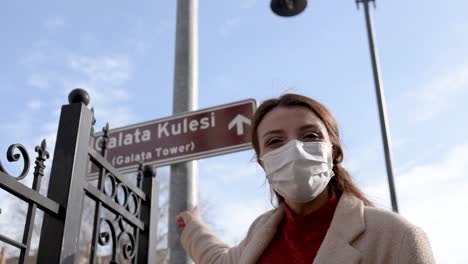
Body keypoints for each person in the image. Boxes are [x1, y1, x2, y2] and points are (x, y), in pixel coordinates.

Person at [176, 93, 435, 264]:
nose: (295, 149)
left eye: (310, 136)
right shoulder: (260, 234)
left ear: (333, 151)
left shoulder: (395, 237)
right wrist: (192, 224)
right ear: (262, 164)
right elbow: (218, 259)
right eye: (275, 141)